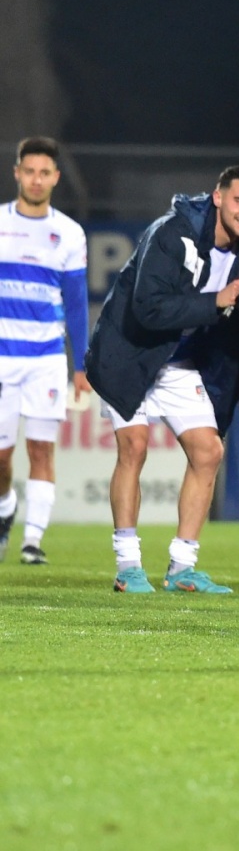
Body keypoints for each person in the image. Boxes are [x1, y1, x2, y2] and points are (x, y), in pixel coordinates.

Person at [85, 166, 239, 593]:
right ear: (218, 197)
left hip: (178, 361)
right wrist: (216, 301)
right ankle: (128, 566)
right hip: (130, 351)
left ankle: (182, 567)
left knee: (208, 452)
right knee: (134, 447)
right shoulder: (171, 232)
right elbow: (148, 308)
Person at [0, 137, 90, 565]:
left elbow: (76, 304)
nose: (36, 180)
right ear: (17, 173)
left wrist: (81, 365)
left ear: (55, 178)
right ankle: (6, 507)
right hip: (3, 358)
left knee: (41, 448)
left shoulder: (69, 233)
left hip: (46, 359)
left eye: (45, 173)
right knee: (2, 457)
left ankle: (32, 540)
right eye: (30, 171)